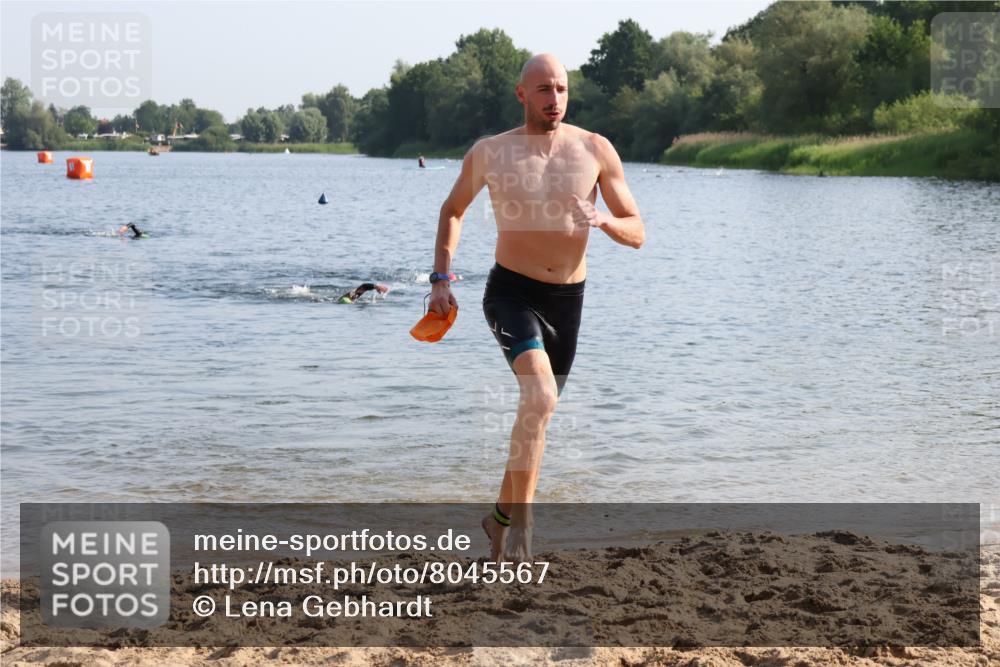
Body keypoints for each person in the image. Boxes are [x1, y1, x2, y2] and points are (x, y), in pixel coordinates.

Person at [427, 53, 644, 562]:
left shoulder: (594, 149)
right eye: (544, 90)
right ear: (522, 94)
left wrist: (604, 221)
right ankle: (523, 532)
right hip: (511, 292)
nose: (555, 100)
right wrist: (440, 278)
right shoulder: (490, 152)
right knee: (541, 397)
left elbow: (637, 230)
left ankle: (498, 519)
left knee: (536, 413)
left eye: (562, 89)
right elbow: (452, 210)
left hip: (568, 299)